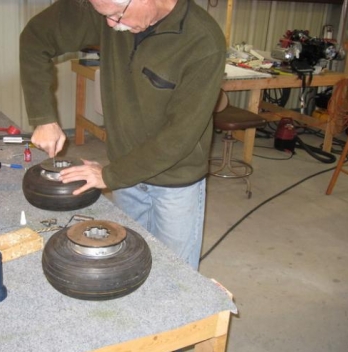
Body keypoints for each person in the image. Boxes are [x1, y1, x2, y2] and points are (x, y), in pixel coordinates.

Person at [20, 0, 226, 270]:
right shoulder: (107, 9)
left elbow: (178, 137)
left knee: (177, 278)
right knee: (127, 267)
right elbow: (36, 37)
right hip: (126, 176)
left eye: (117, 14)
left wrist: (108, 176)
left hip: (175, 182)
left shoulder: (202, 40)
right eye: (105, 15)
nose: (109, 24)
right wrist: (43, 117)